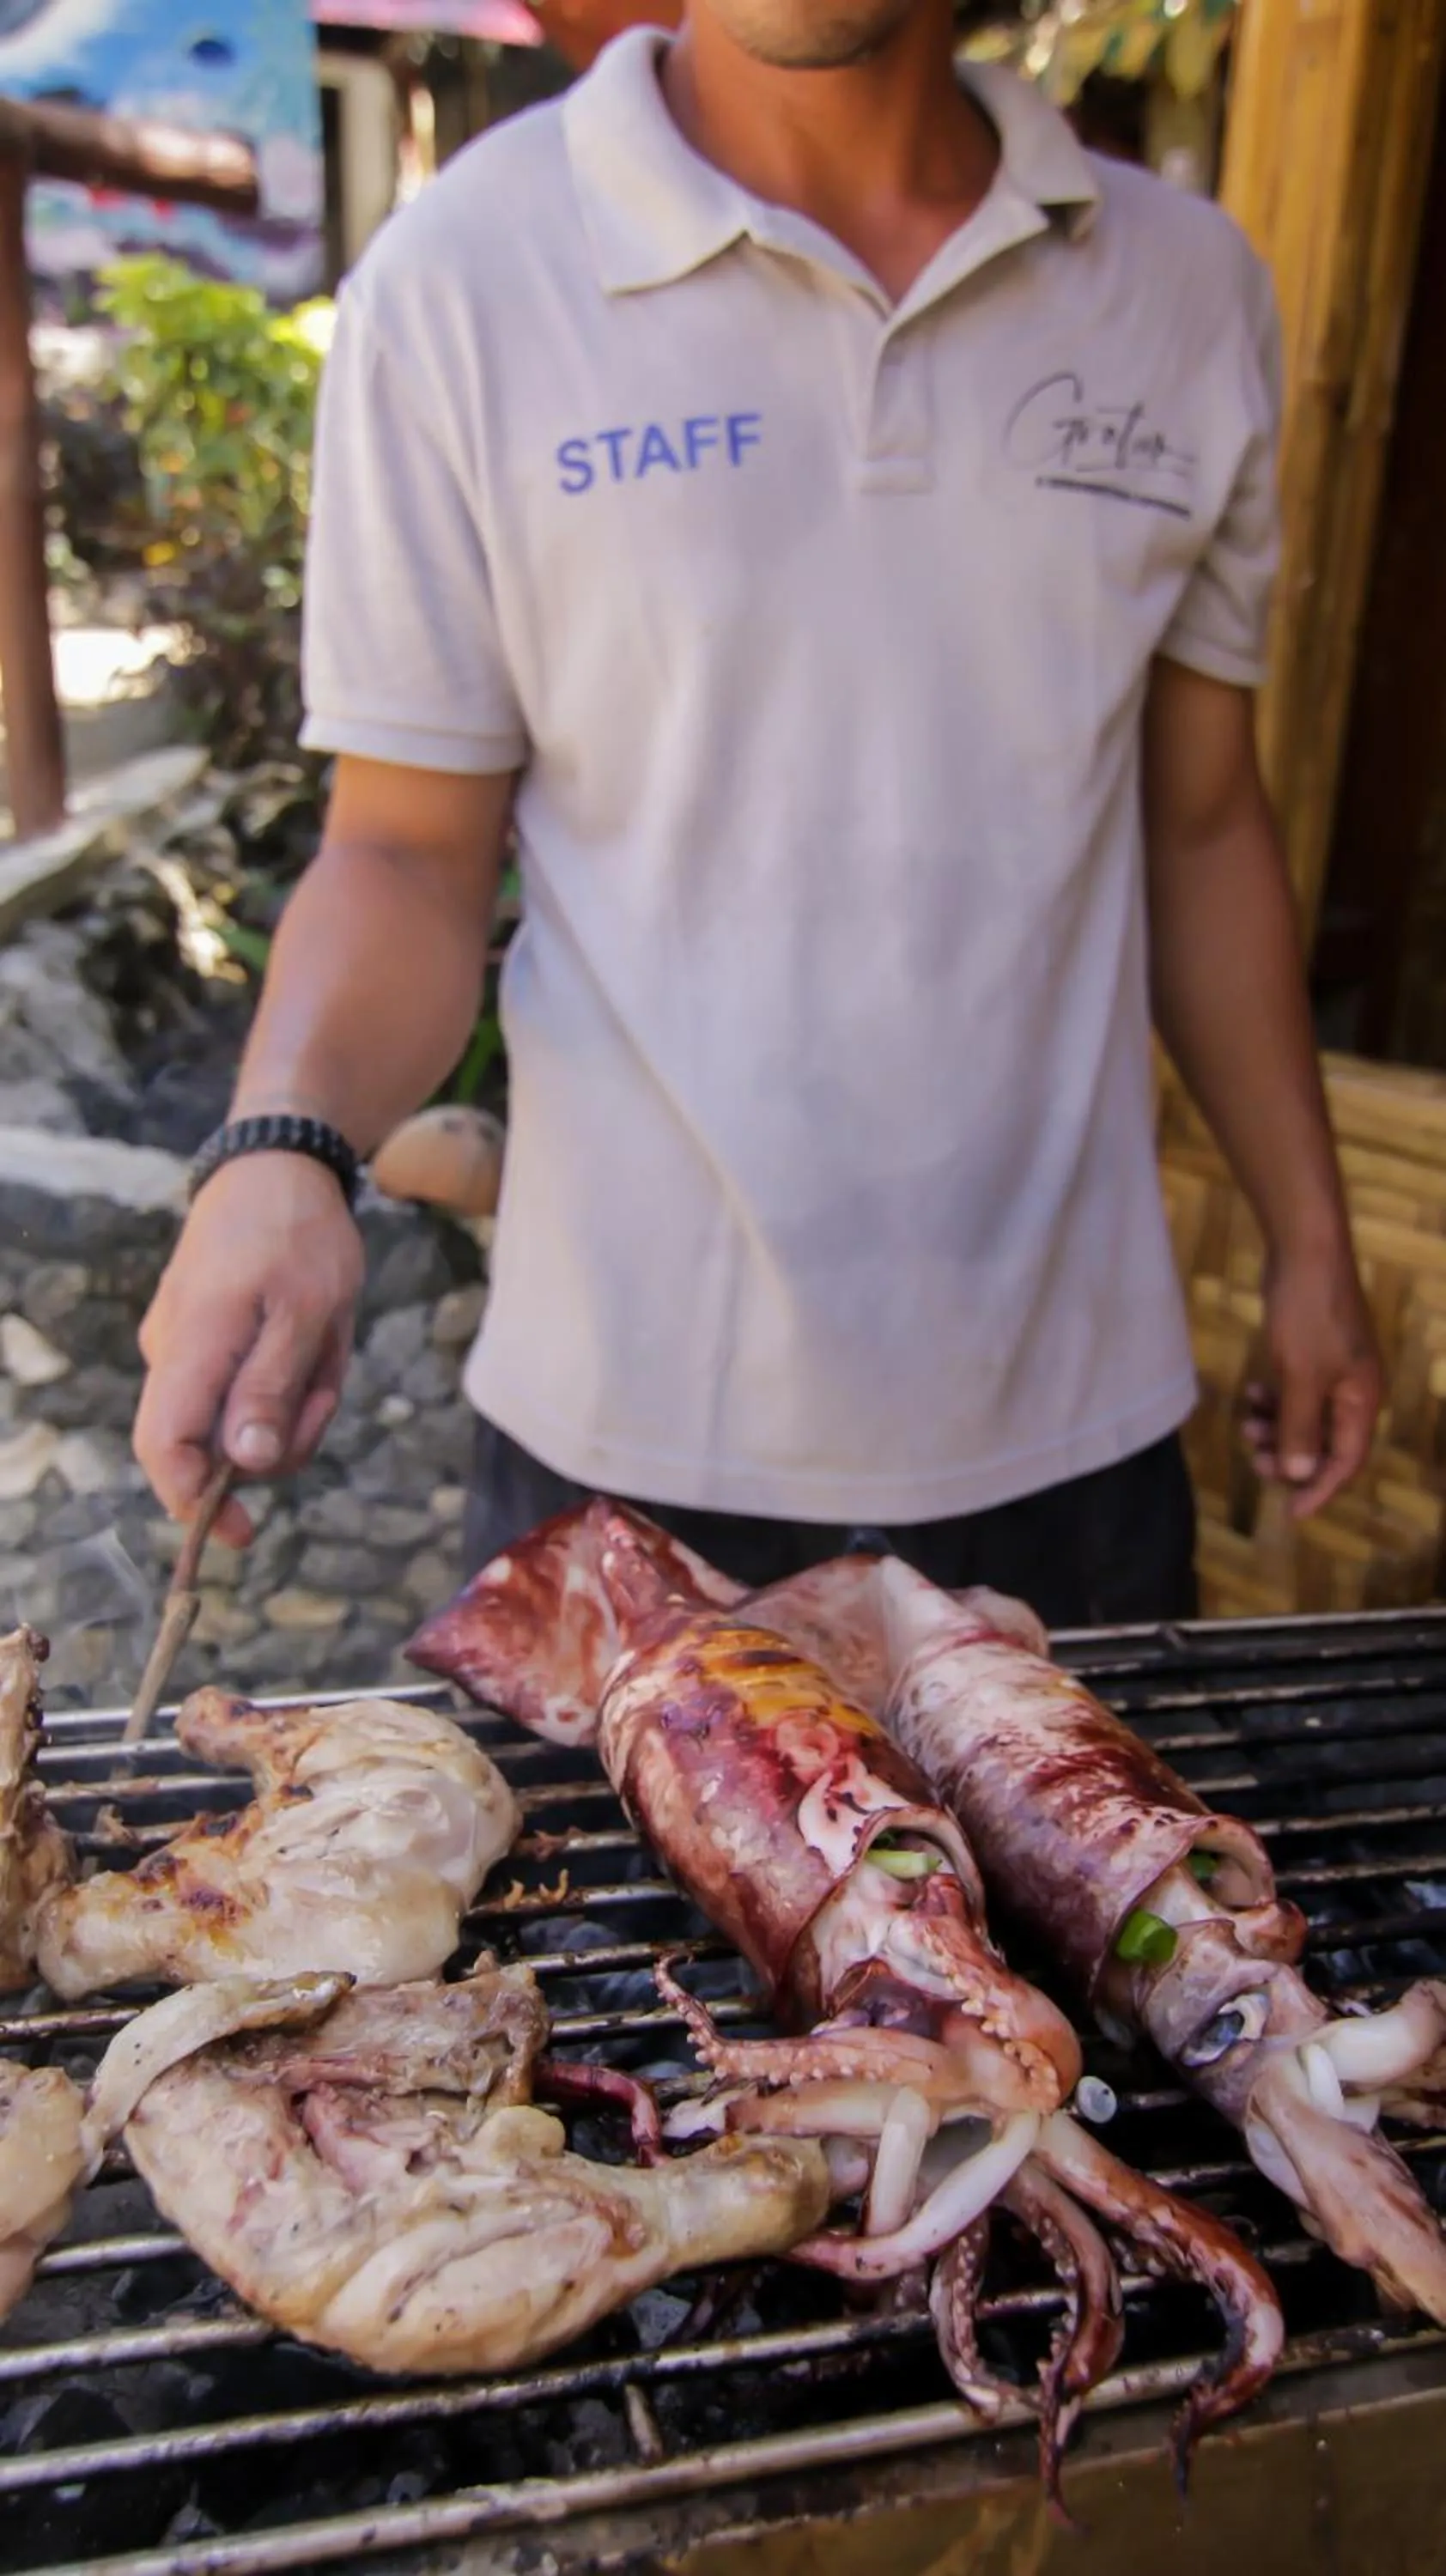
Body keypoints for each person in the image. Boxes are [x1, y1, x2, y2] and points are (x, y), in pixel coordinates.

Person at [131, 0, 1382, 1626]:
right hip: (624, 1441)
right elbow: (404, 851)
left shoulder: (1192, 292)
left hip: (1076, 1433)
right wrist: (281, 1151)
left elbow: (1206, 827)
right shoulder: (462, 281)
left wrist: (1309, 1237)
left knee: (1133, 1892)